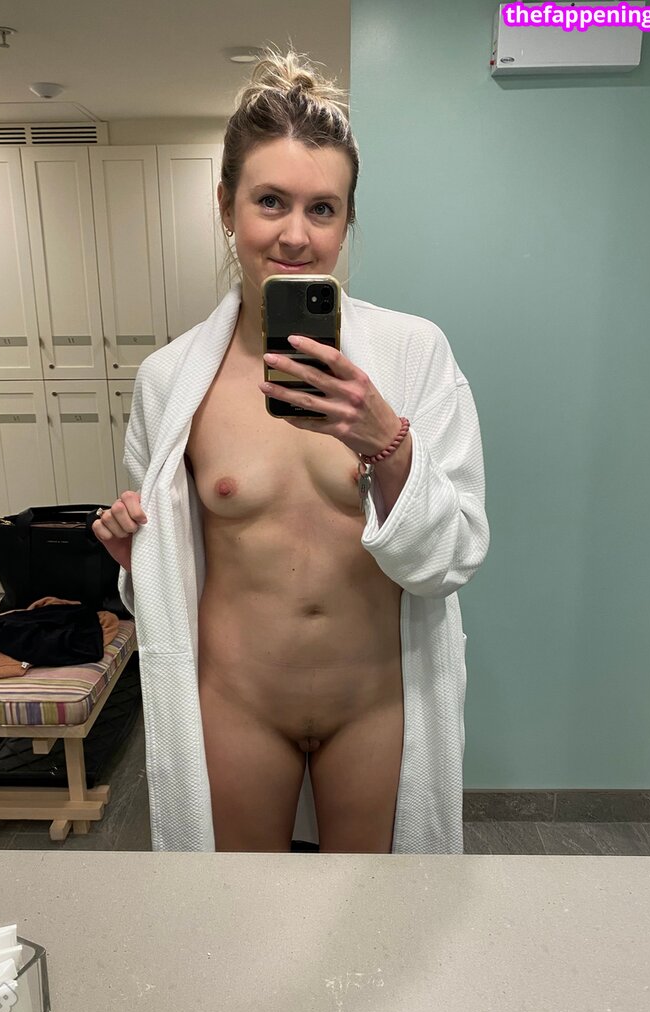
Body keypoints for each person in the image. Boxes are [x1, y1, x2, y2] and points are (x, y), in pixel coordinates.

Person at [92, 46, 490, 855]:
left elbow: (454, 553)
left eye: (323, 209)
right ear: (225, 205)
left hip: (373, 701)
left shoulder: (412, 356)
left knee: (372, 913)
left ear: (347, 220)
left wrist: (384, 439)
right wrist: (138, 558)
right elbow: (164, 579)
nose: (295, 235)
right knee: (241, 915)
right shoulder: (171, 380)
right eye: (270, 201)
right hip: (238, 700)